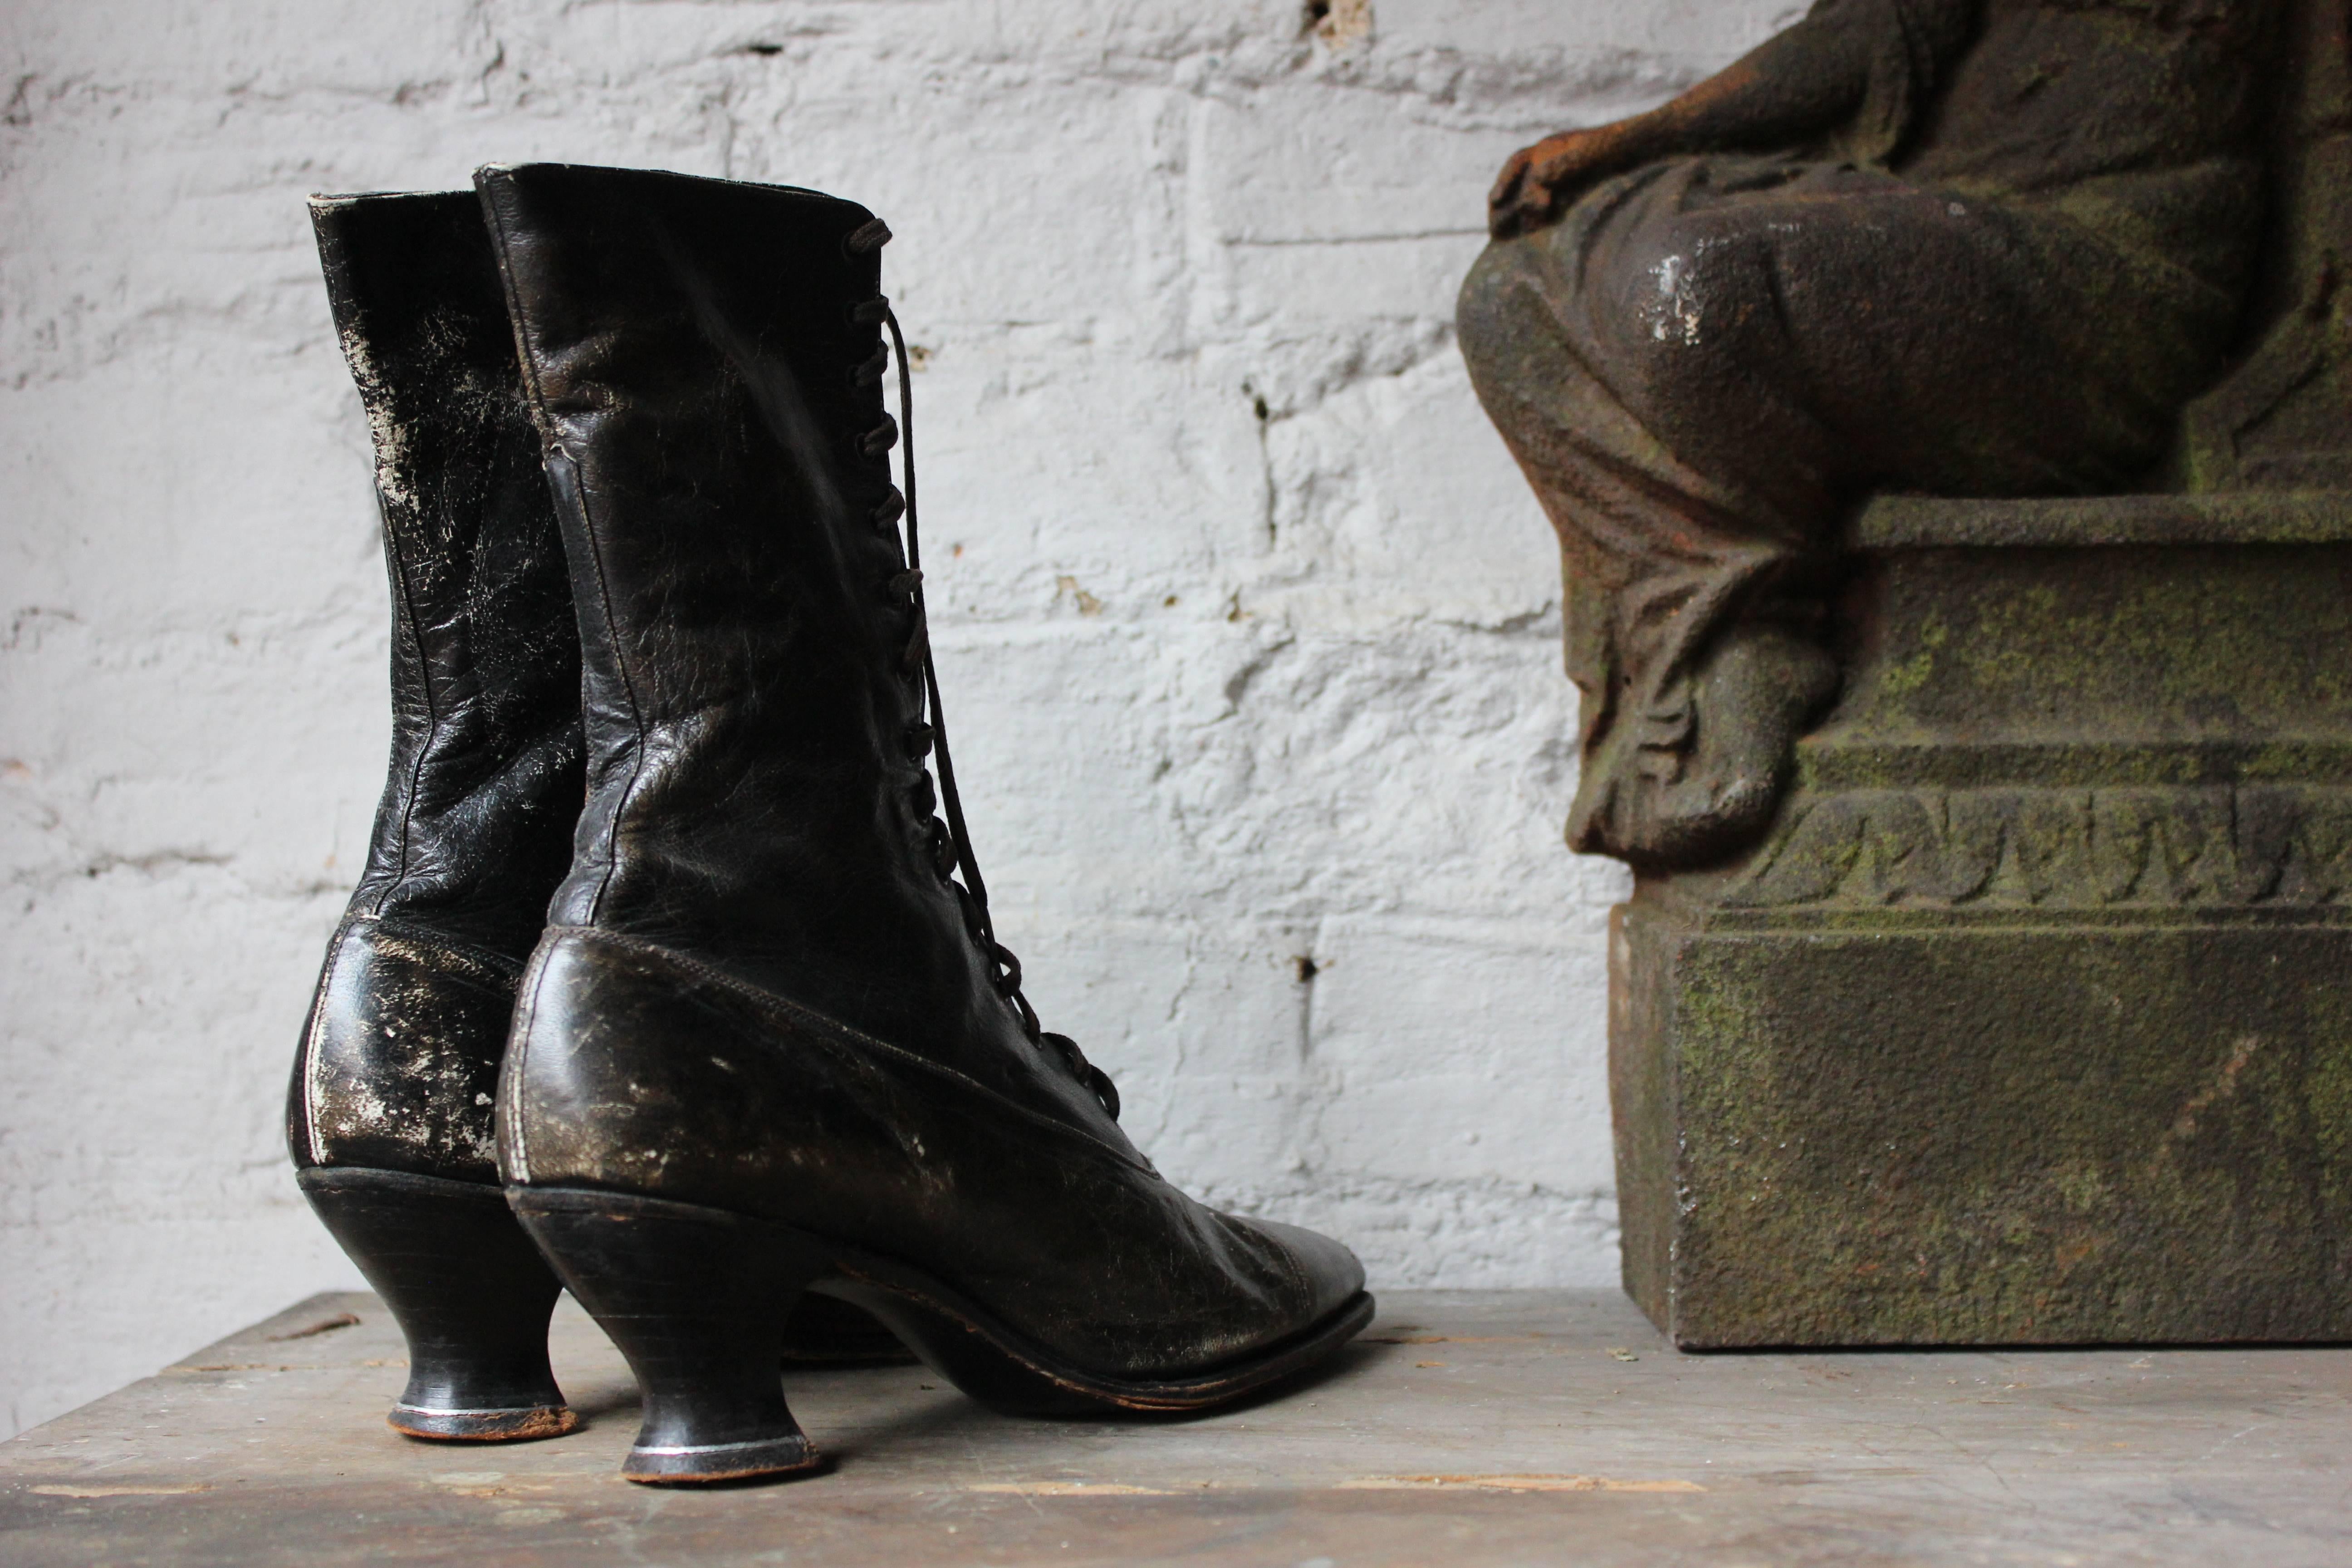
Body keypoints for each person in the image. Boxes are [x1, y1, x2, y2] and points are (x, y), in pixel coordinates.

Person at [1458, 0, 2279, 867]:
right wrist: (1626, 143)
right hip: (1927, 214)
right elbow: (1868, 37)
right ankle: (1707, 616)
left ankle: (1746, 613)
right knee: (1507, 301)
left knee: (1688, 292)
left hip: (2100, 261)